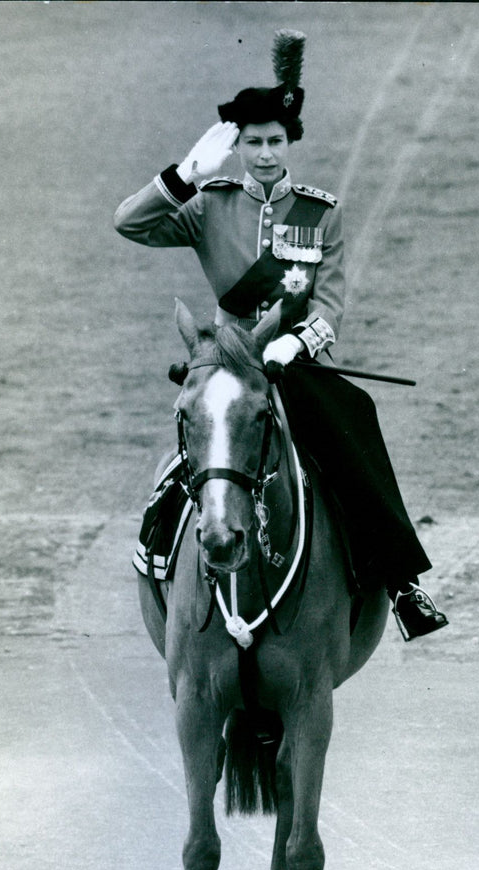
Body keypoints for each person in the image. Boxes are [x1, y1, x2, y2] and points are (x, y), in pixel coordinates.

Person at [114, 29, 447, 640]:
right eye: (252, 143)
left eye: (274, 141)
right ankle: (157, 556)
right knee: (186, 458)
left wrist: (298, 342)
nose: (264, 153)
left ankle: (401, 583)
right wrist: (186, 173)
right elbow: (129, 223)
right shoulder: (208, 203)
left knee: (354, 429)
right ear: (236, 147)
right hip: (225, 359)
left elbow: (331, 299)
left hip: (292, 365)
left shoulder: (321, 212)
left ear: (289, 142)